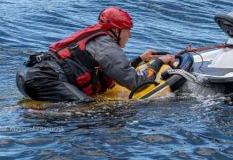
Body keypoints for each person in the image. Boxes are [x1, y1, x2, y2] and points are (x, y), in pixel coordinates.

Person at [16, 7, 175, 102]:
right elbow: (136, 83)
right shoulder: (106, 46)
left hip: (27, 75)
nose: (130, 36)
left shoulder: (97, 37)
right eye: (128, 31)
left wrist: (140, 59)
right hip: (43, 80)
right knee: (88, 110)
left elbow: (111, 69)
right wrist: (159, 62)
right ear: (116, 30)